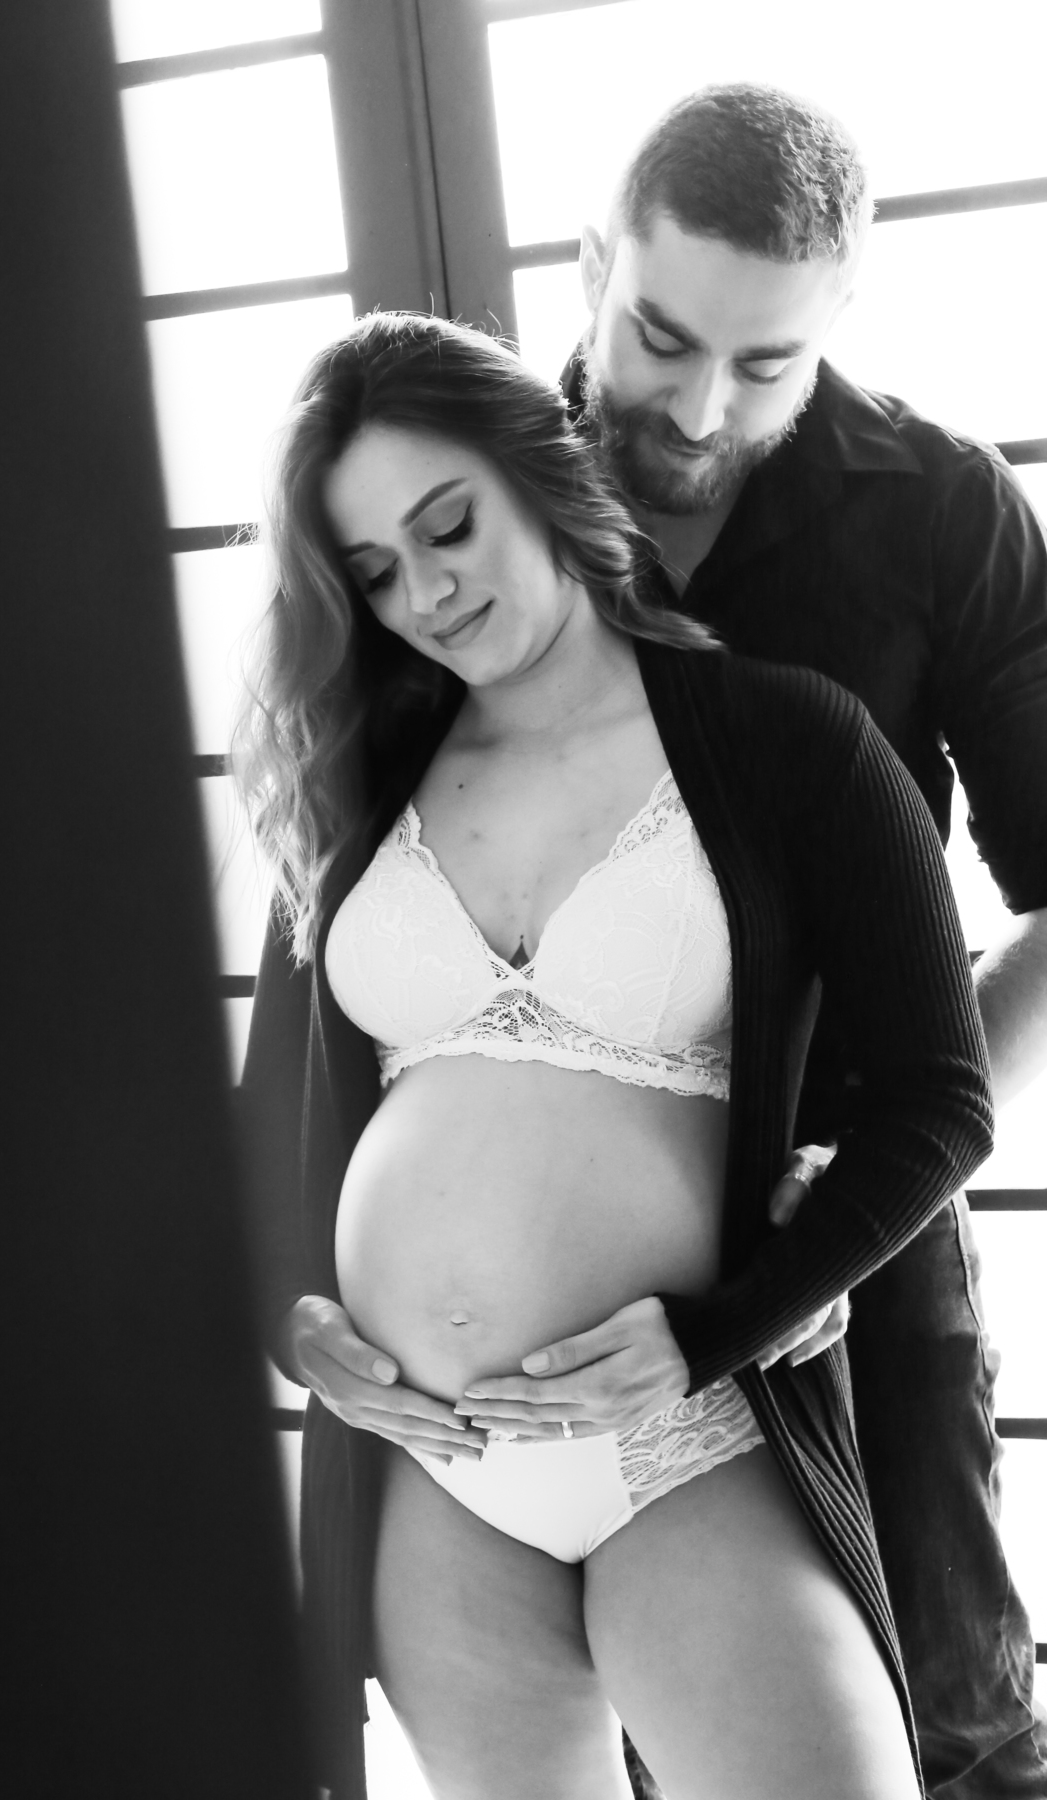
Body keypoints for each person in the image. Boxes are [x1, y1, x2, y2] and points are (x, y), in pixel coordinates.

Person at [236, 310, 993, 1800]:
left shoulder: (792, 739)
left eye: (448, 525)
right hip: (441, 1477)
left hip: (687, 1437)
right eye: (373, 571)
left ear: (542, 471)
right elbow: (258, 1141)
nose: (426, 591)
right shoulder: (351, 801)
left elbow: (942, 1101)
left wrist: (722, 1331)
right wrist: (296, 1328)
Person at [562, 82, 1047, 1797]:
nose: (700, 408)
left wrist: (875, 1174)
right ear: (594, 267)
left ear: (838, 319)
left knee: (955, 1730)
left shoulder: (944, 509)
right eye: (661, 338)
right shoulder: (475, 499)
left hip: (863, 1234)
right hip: (573, 1251)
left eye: (765, 365)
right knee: (659, 1749)